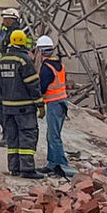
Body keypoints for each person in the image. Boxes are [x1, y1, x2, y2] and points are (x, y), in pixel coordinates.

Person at [0, 29, 44, 179]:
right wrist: (40, 105)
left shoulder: (2, 60)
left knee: (13, 137)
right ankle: (28, 169)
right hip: (24, 106)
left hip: (7, 107)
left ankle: (14, 167)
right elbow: (32, 84)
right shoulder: (24, 60)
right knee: (27, 135)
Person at [36, 35, 70, 178]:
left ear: (41, 51)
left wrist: (38, 101)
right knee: (53, 135)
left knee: (53, 136)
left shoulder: (46, 68)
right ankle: (52, 163)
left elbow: (43, 88)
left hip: (54, 104)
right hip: (62, 102)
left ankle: (62, 165)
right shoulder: (59, 65)